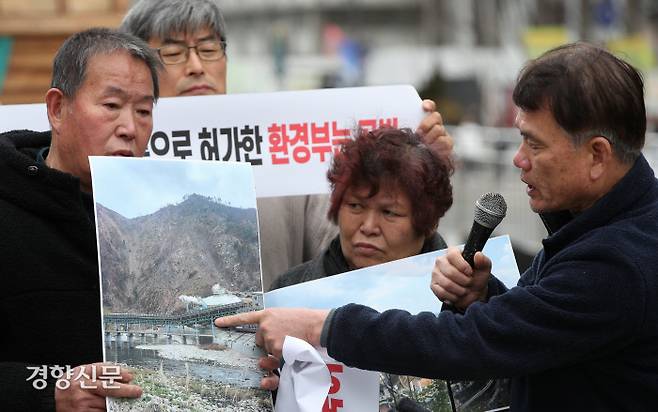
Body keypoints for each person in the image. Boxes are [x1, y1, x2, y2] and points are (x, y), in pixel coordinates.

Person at [215, 42, 658, 411]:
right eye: (355, 206)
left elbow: (473, 343)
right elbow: (547, 333)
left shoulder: (616, 263)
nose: (518, 158)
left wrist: (322, 327)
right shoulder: (591, 225)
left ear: (597, 155)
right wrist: (485, 297)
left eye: (534, 143)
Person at [120, 0, 453, 290]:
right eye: (174, 53)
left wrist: (417, 179)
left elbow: (349, 258)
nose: (196, 67)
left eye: (209, 50)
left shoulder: (286, 153)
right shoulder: (118, 156)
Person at [0, 28, 162, 411]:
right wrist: (50, 392)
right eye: (111, 106)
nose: (129, 128)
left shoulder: (159, 213)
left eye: (143, 111)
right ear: (58, 109)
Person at [269, 126, 453, 291]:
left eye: (389, 212)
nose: (368, 227)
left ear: (430, 223)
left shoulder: (465, 303)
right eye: (355, 206)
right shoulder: (289, 291)